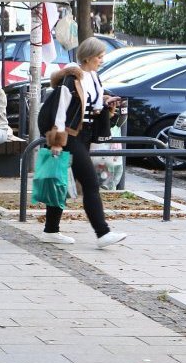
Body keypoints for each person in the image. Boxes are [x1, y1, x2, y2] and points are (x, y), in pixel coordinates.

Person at [39, 37, 128, 248]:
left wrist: (106, 102)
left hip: (85, 135)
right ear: (88, 57)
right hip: (69, 135)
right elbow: (60, 110)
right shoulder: (72, 78)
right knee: (90, 182)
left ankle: (51, 230)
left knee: (57, 179)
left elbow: (92, 104)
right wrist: (57, 142)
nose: (102, 60)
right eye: (99, 56)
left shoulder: (94, 77)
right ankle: (102, 232)